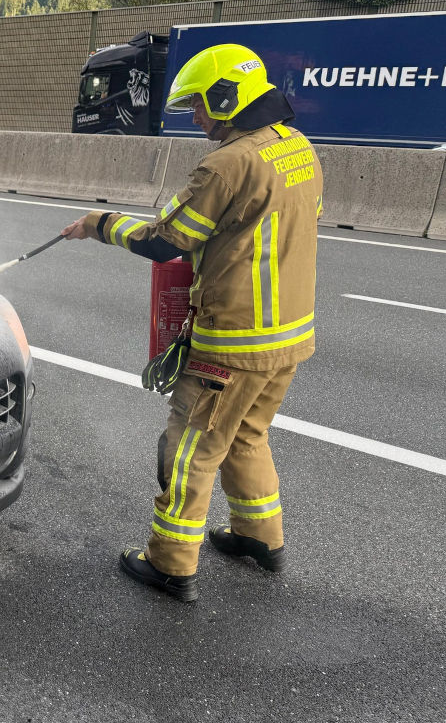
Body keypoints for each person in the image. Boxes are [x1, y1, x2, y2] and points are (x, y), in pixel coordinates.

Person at [61, 44, 323, 602]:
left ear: (228, 98)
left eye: (202, 106)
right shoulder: (297, 148)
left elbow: (163, 240)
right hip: (289, 336)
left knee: (190, 449)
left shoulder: (226, 164)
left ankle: (171, 563)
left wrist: (98, 223)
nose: (198, 118)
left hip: (232, 341)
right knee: (247, 435)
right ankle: (259, 537)